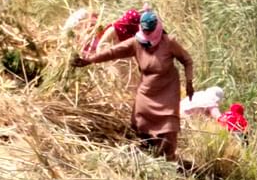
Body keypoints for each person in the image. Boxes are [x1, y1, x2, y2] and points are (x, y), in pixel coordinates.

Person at [71, 10, 194, 160]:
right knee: (140, 121)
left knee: (168, 128)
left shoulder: (169, 43)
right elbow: (112, 52)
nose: (147, 35)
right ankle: (147, 156)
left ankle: (168, 159)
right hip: (147, 90)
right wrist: (89, 60)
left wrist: (189, 82)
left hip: (167, 89)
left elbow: (187, 60)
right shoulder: (137, 42)